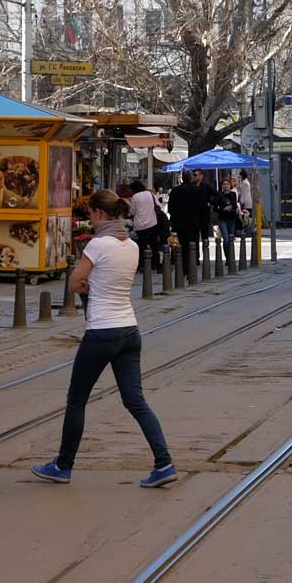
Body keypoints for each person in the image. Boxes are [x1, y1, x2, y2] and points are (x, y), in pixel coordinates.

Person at [32, 189, 175, 487]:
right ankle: (164, 463)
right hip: (129, 330)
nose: (90, 219)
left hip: (101, 331)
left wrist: (85, 285)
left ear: (98, 213)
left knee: (77, 399)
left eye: (90, 214)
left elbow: (73, 283)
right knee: (135, 400)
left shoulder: (98, 245)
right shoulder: (132, 246)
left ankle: (63, 465)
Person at [168, 169, 209, 280]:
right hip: (194, 223)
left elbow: (170, 208)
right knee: (193, 246)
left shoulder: (175, 191)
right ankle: (191, 269)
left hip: (180, 224)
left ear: (182, 178)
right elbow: (203, 208)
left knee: (181, 247)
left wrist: (175, 218)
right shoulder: (198, 191)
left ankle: (183, 269)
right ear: (191, 178)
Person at [127, 178, 162, 266]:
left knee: (142, 246)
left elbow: (132, 212)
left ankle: (143, 265)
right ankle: (156, 263)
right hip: (152, 223)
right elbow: (158, 205)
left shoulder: (135, 197)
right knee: (154, 244)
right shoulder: (150, 194)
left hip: (140, 226)